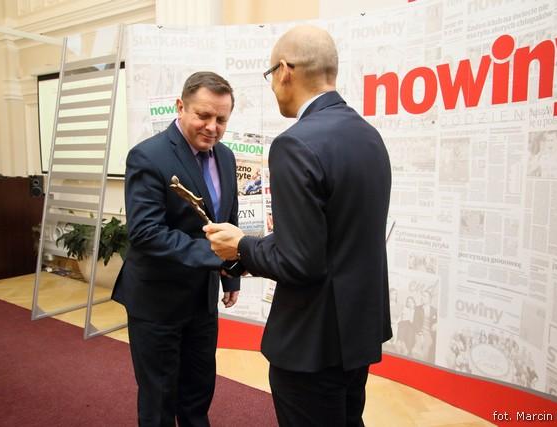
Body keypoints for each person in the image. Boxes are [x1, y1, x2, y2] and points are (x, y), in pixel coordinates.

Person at [204, 25, 392, 426]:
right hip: (356, 331)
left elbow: (300, 261)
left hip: (311, 341)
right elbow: (333, 237)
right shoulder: (369, 136)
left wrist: (241, 246)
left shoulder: (295, 143)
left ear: (285, 71)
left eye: (270, 75)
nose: (273, 86)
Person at [111, 71, 243, 427]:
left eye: (221, 119)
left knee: (198, 393)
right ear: (180, 107)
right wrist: (216, 255)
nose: (212, 127)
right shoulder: (147, 155)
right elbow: (146, 232)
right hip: (157, 303)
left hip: (202, 302)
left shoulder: (227, 157)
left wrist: (230, 276)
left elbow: (227, 219)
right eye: (203, 115)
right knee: (158, 399)